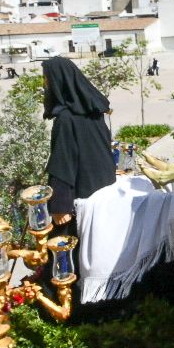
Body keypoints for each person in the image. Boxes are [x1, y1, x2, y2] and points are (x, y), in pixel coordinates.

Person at [42, 56, 116, 228]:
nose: (45, 84)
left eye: (46, 78)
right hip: (105, 191)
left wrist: (60, 205)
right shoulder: (93, 112)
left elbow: (63, 162)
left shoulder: (66, 119)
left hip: (82, 198)